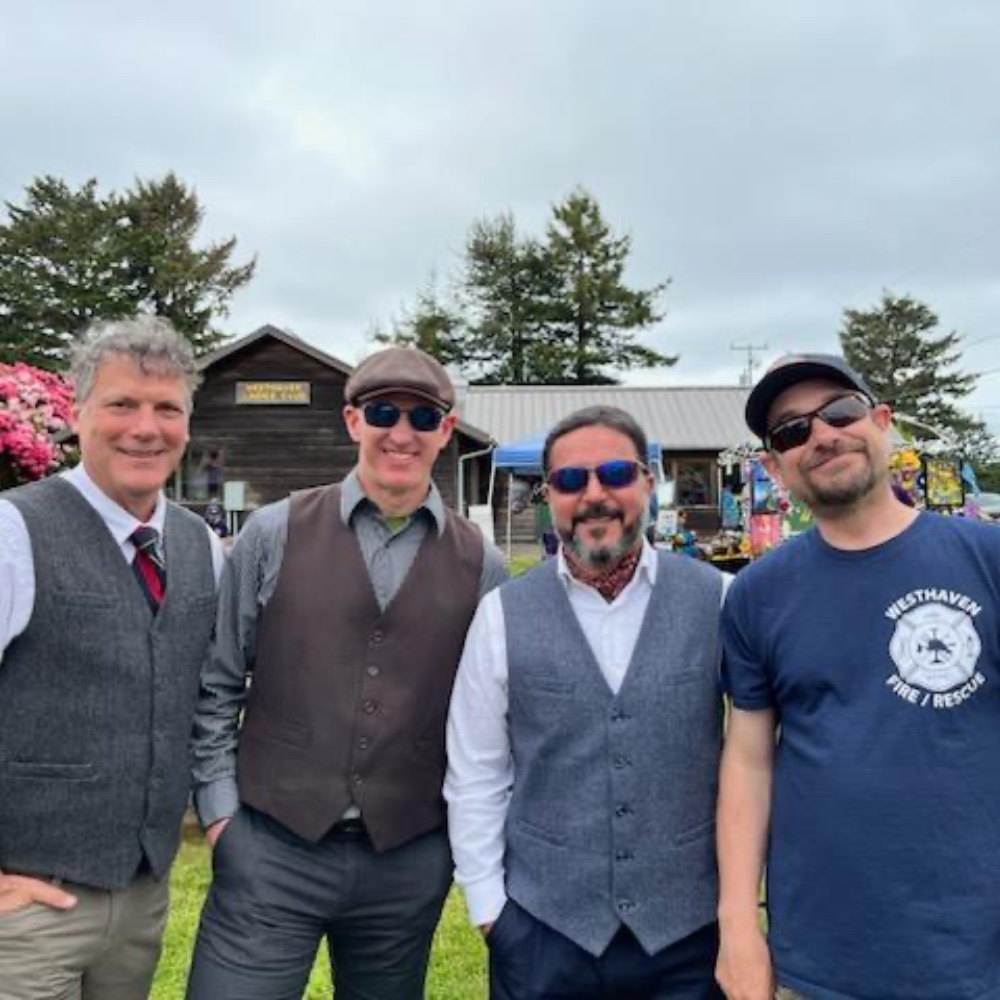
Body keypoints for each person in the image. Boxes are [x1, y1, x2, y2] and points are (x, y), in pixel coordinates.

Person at [186, 345, 507, 1000]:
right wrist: (221, 818)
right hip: (271, 845)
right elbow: (216, 684)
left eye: (422, 417)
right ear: (352, 420)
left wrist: (449, 851)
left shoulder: (484, 564)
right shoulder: (273, 533)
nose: (401, 433)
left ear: (446, 431)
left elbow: (491, 721)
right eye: (383, 412)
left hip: (405, 859)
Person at [717, 353, 1000, 1000]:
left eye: (840, 412)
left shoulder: (987, 560)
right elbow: (749, 761)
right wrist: (737, 927)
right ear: (774, 467)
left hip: (977, 958)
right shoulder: (758, 593)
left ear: (882, 422)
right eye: (792, 431)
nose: (821, 435)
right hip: (819, 962)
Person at [446, 405, 727, 1000]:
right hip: (544, 935)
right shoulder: (502, 615)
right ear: (549, 495)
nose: (594, 495)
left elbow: (761, 753)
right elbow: (476, 773)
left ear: (648, 481)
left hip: (690, 936)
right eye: (571, 480)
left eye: (615, 474)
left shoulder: (721, 599)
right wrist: (491, 911)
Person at [0, 317, 224, 1000]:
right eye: (122, 404)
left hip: (143, 900)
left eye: (166, 408)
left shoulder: (201, 546)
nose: (145, 428)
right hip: (27, 910)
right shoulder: (13, 530)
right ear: (77, 413)